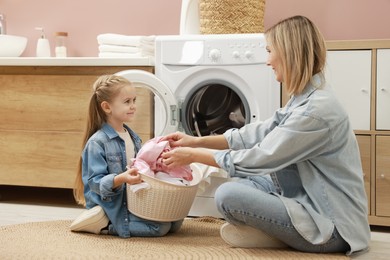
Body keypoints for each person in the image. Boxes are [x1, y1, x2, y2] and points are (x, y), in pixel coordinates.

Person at [161, 15, 370, 255]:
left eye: (270, 51)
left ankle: (277, 236)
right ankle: (275, 231)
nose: (267, 60)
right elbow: (259, 131)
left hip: (331, 226)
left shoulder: (315, 111)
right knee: (244, 182)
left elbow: (259, 158)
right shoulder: (307, 96)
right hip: (305, 194)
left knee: (228, 195)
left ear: (288, 53)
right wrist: (197, 140)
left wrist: (194, 155)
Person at [70, 74, 183, 237]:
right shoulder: (97, 142)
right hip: (112, 204)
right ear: (107, 107)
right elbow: (95, 183)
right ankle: (105, 226)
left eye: (134, 101)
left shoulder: (132, 136)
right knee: (160, 228)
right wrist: (122, 178)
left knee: (175, 221)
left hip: (131, 198)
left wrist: (162, 154)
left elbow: (142, 165)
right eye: (127, 102)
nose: (133, 106)